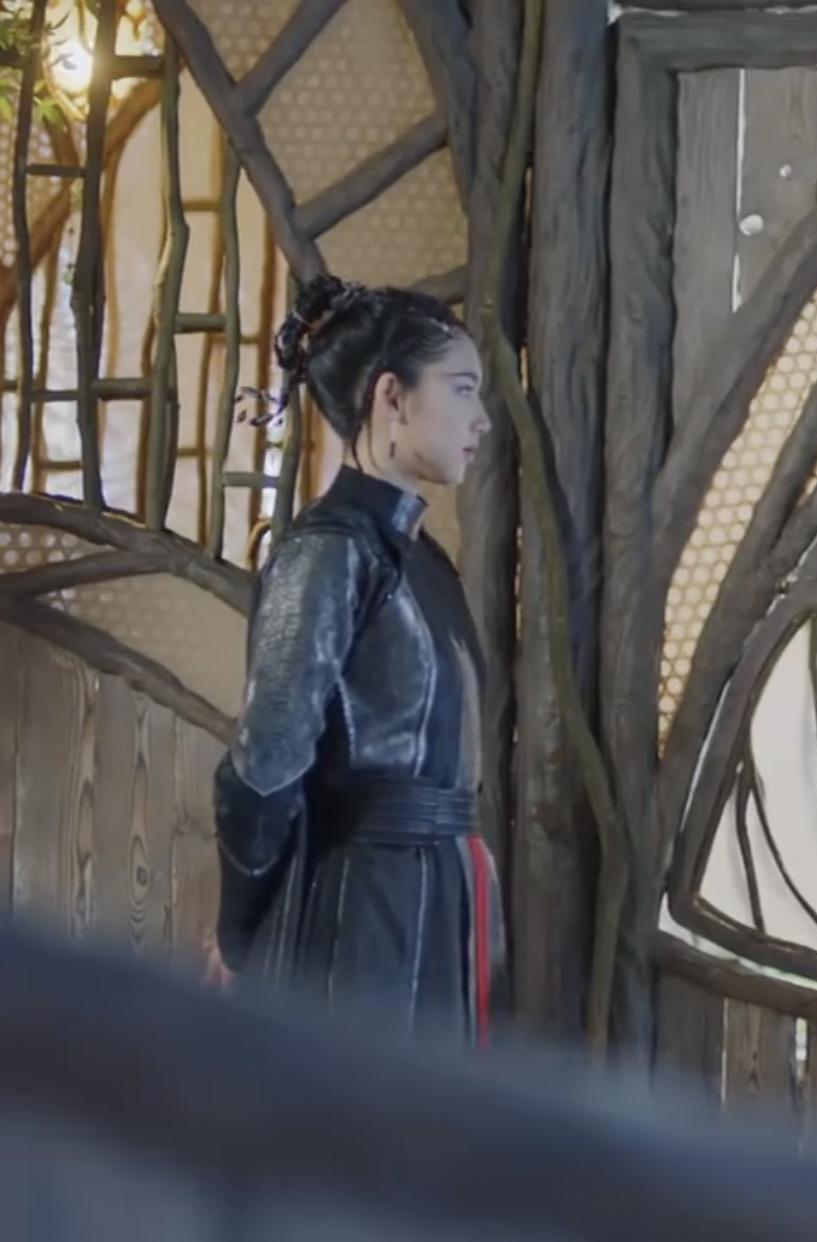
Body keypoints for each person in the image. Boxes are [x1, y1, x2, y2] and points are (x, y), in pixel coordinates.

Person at [205, 273, 501, 1044]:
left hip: (438, 888)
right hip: (364, 904)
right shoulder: (329, 553)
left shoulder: (418, 556)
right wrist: (239, 931)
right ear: (392, 398)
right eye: (463, 390)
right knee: (363, 1110)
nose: (482, 418)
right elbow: (264, 767)